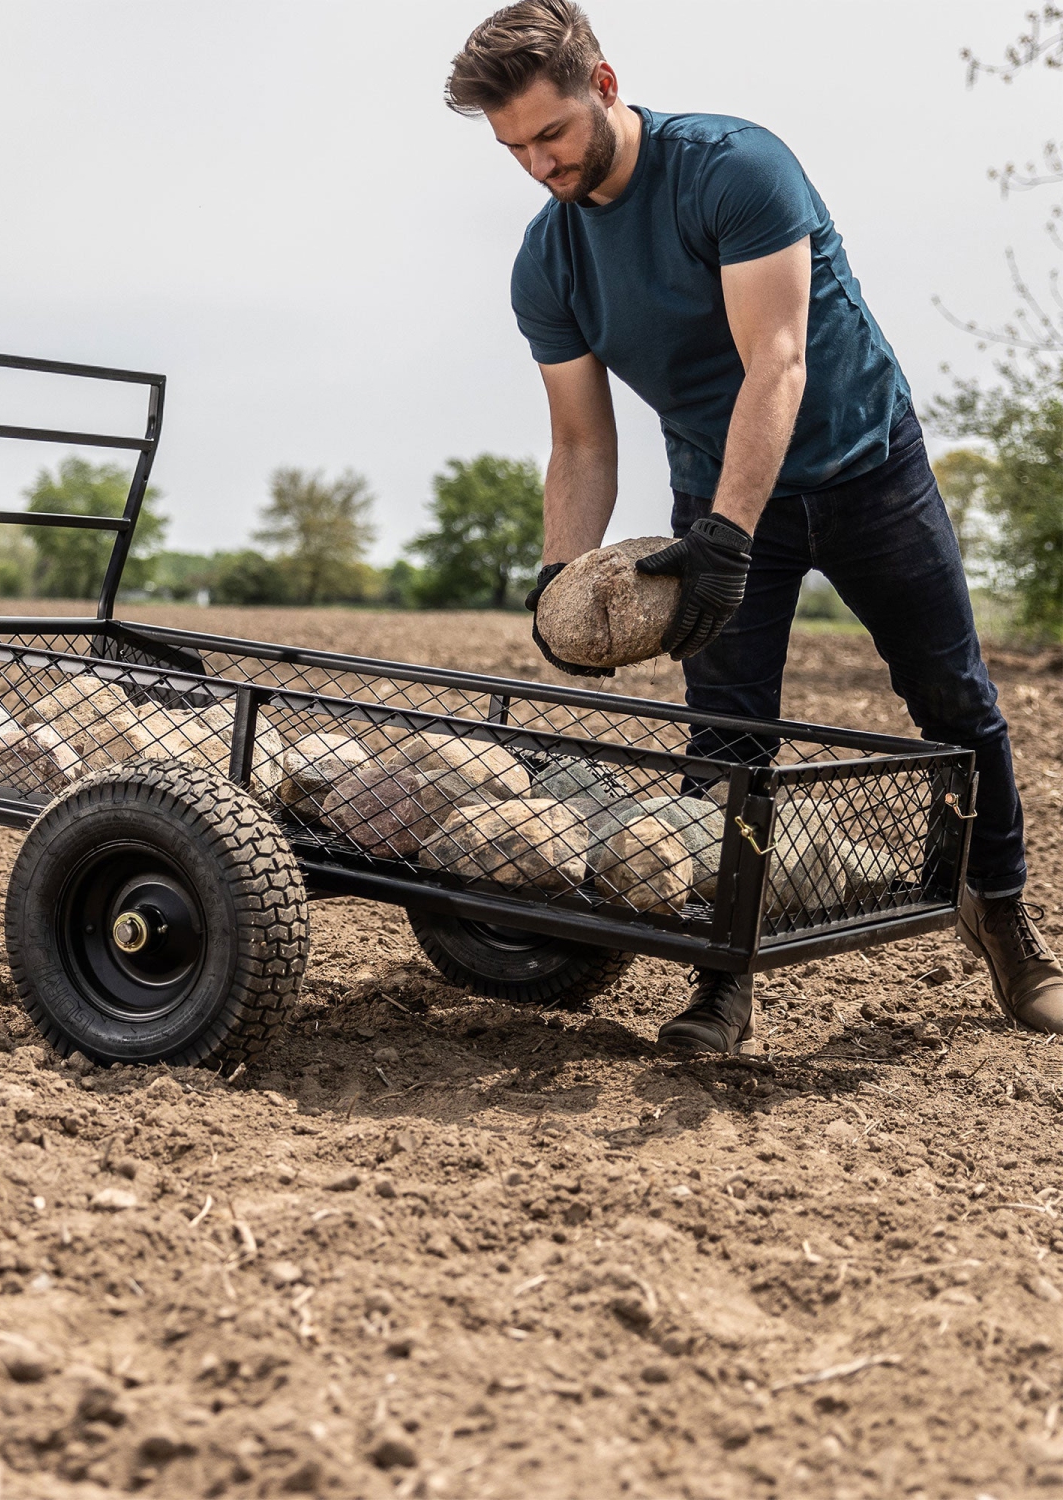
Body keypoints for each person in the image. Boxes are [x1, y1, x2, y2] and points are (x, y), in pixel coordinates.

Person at [446, 0, 1063, 1053]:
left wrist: (731, 535)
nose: (539, 165)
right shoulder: (546, 264)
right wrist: (562, 580)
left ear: (604, 84)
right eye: (513, 149)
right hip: (718, 494)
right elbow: (583, 445)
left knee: (954, 699)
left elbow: (776, 361)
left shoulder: (734, 169)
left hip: (868, 469)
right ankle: (721, 978)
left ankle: (1004, 922)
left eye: (550, 134)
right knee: (728, 740)